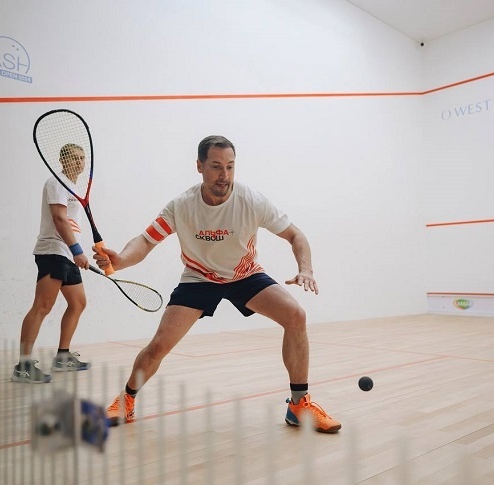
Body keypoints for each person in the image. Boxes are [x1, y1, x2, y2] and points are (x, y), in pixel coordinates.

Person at [95, 135, 341, 433]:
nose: (224, 175)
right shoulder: (182, 206)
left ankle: (299, 406)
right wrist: (121, 259)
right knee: (159, 345)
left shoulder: (252, 200)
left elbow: (295, 235)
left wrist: (306, 269)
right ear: (199, 166)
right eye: (215, 166)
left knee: (296, 315)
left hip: (245, 275)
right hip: (199, 278)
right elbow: (147, 240)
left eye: (230, 166)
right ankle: (126, 400)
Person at [11, 143, 92, 383]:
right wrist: (77, 250)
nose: (79, 162)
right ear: (63, 160)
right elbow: (59, 218)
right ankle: (23, 366)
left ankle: (63, 357)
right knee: (42, 306)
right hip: (53, 251)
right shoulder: (56, 183)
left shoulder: (72, 188)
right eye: (74, 157)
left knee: (78, 303)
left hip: (66, 253)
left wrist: (75, 250)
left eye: (82, 158)